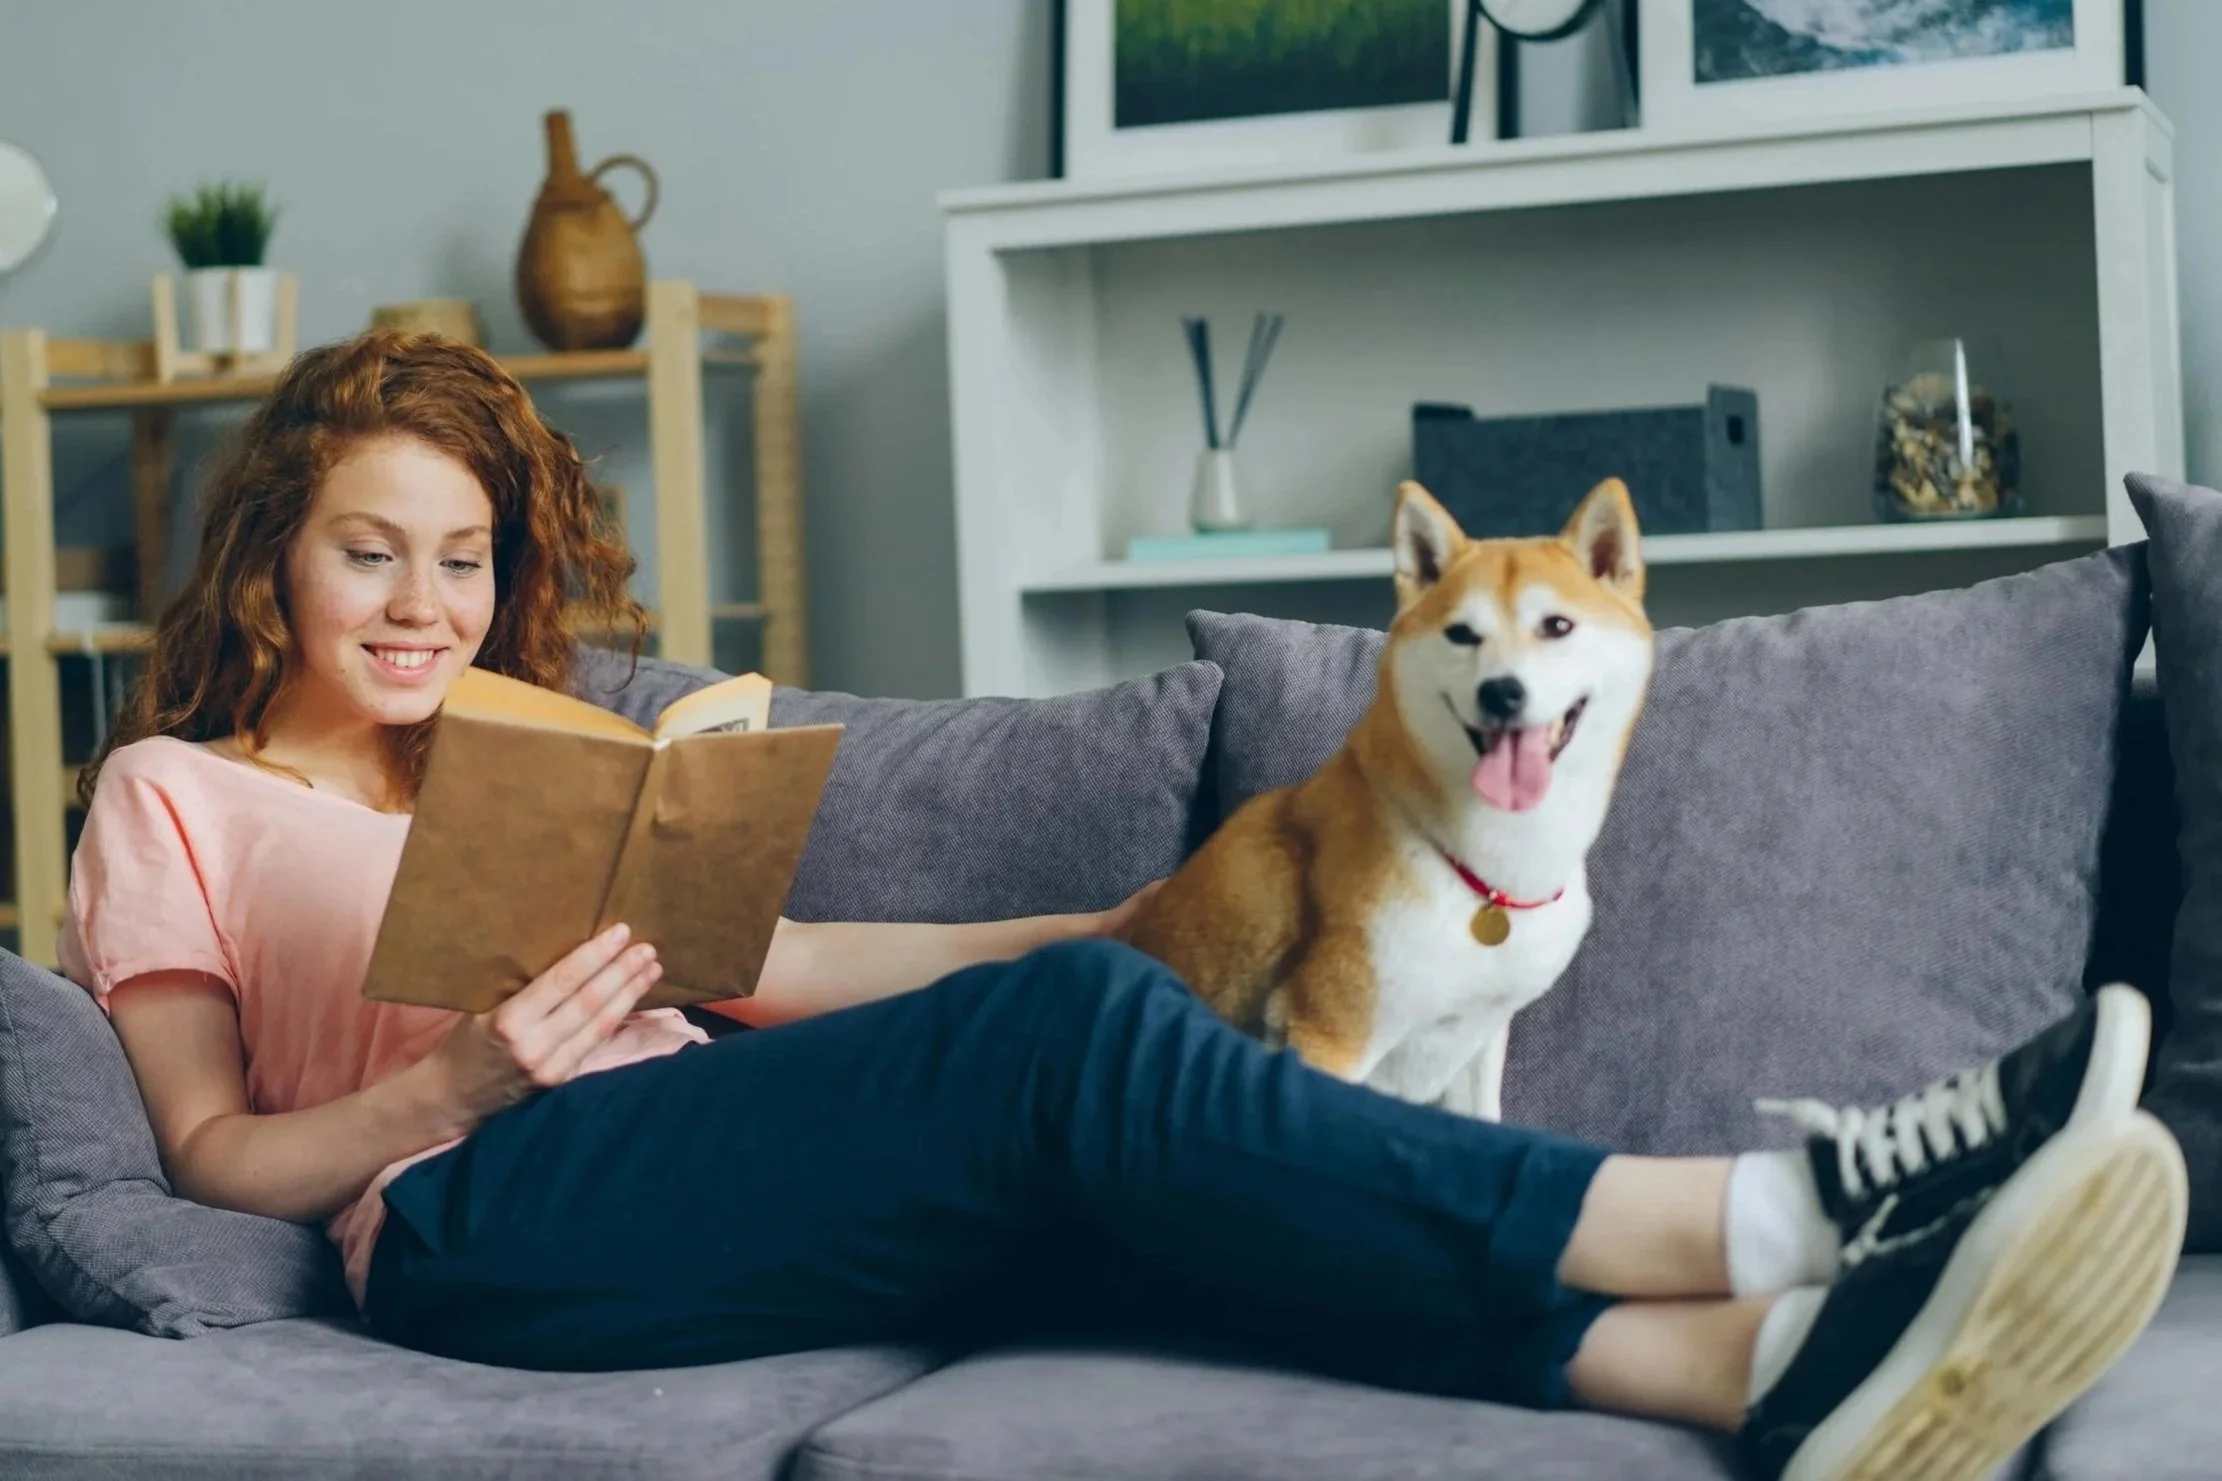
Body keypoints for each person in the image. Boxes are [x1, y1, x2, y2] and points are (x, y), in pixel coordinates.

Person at [61, 331, 2185, 1481]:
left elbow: (785, 970)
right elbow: (208, 1148)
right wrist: (453, 1077)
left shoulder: (537, 762)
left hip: (678, 1145)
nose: (425, 601)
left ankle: (1763, 1368)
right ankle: (1790, 1204)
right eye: (371, 550)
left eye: (459, 556)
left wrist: (1126, 922)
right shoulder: (175, 789)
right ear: (275, 559)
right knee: (1082, 1052)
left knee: (1136, 1122)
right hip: (469, 1217)